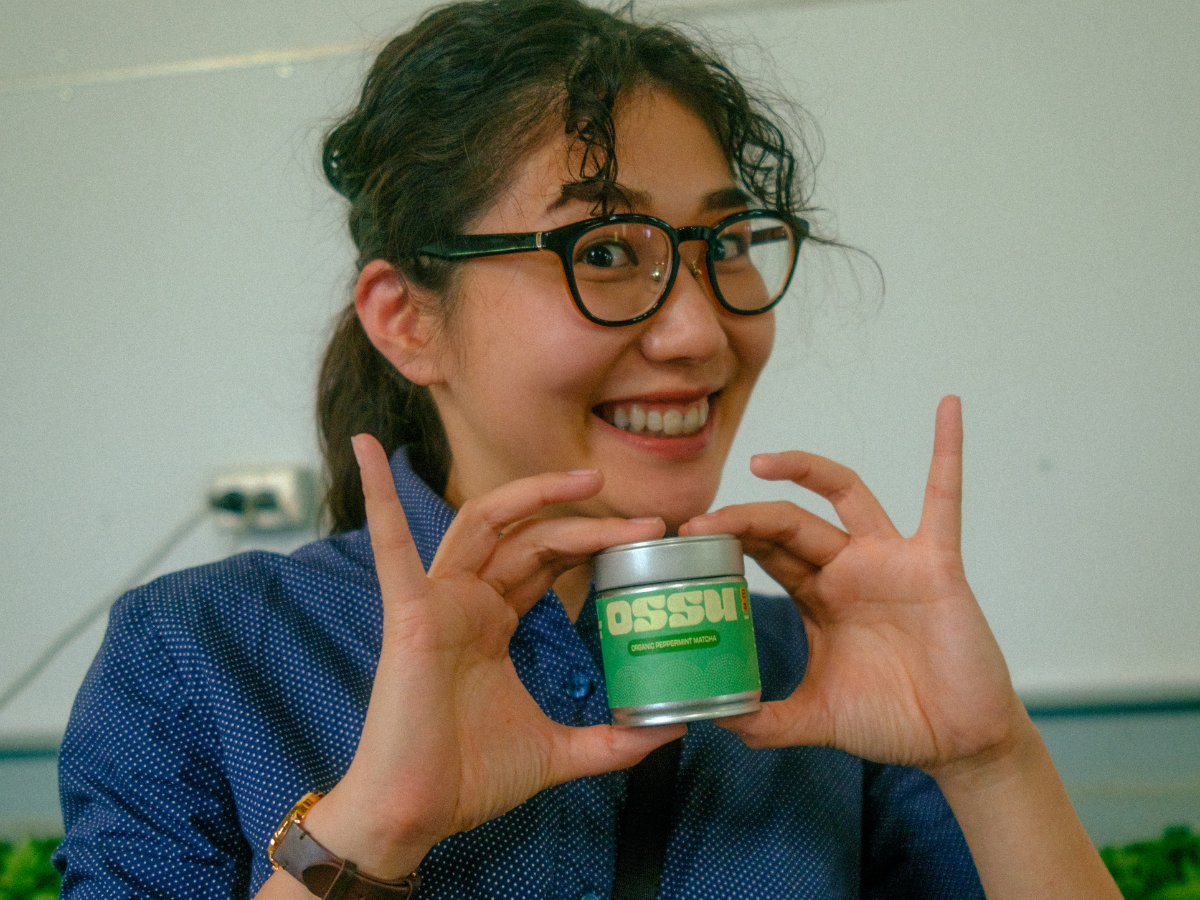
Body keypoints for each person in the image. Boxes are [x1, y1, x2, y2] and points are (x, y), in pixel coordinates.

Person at [54, 1, 1122, 898]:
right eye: (605, 250)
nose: (702, 332)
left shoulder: (821, 677)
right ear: (408, 319)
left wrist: (992, 763)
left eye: (726, 244)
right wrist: (369, 828)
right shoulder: (202, 656)